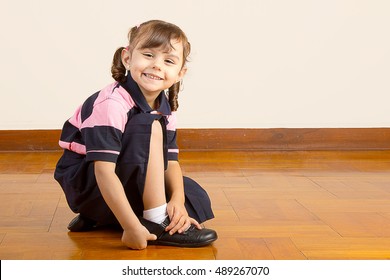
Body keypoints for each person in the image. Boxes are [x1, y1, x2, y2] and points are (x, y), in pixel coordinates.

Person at [54, 20, 217, 250]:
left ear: (180, 73)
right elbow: (103, 171)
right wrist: (131, 228)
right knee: (148, 125)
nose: (157, 65)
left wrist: (177, 201)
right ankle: (154, 221)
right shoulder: (112, 103)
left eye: (168, 60)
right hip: (90, 181)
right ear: (128, 58)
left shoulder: (166, 106)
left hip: (125, 175)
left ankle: (108, 217)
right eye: (149, 55)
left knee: (191, 193)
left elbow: (170, 161)